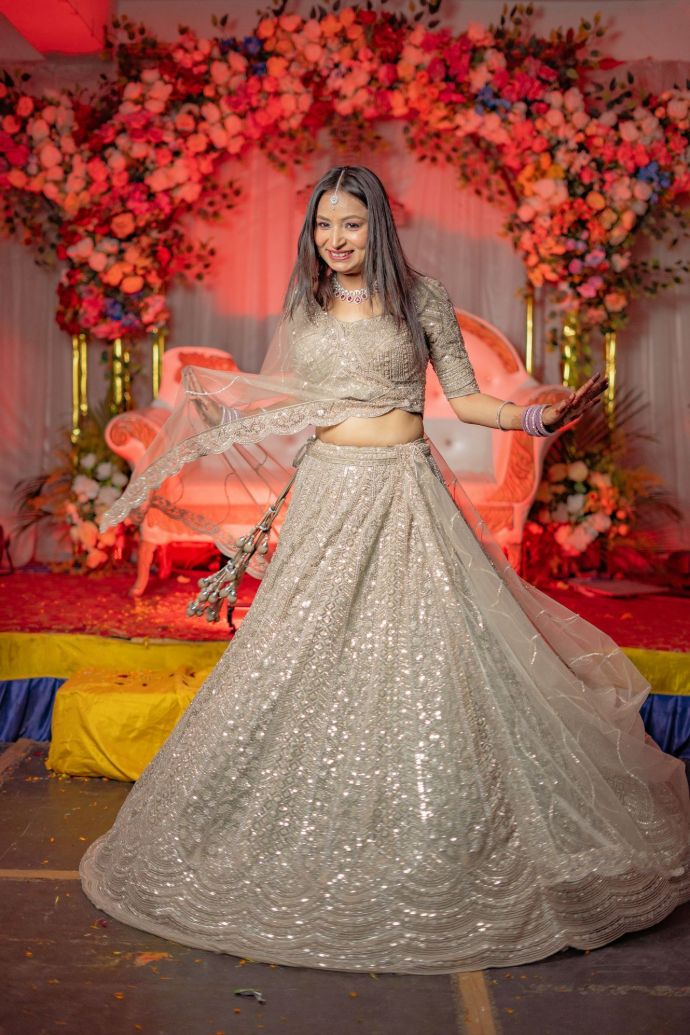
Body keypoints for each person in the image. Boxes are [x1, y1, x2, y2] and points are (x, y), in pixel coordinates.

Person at [80, 166, 690, 975]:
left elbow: (465, 399)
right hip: (331, 496)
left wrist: (535, 415)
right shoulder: (306, 304)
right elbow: (293, 404)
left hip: (407, 490)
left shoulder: (422, 299)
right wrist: (224, 418)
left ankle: (440, 829)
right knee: (305, 658)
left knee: (431, 663)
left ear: (379, 228)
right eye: (325, 225)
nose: (337, 240)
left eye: (352, 225)